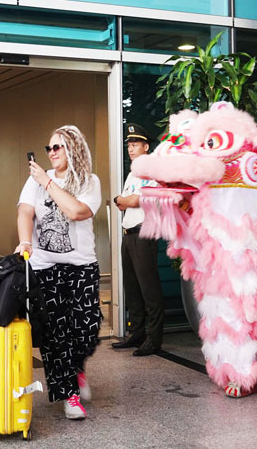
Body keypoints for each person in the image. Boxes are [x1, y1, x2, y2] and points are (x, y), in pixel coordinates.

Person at [15, 125, 102, 420]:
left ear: (73, 149)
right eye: (48, 148)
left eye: (57, 147)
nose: (51, 153)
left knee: (86, 331)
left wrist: (47, 183)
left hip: (82, 267)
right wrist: (26, 240)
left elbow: (77, 212)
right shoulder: (35, 181)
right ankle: (70, 396)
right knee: (56, 335)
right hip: (46, 267)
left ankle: (77, 368)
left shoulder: (89, 182)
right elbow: (25, 211)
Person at [111, 123, 165, 356]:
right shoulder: (133, 173)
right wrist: (123, 199)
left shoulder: (152, 170)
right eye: (129, 145)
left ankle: (153, 339)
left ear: (146, 146)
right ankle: (137, 334)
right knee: (132, 287)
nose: (130, 149)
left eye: (135, 145)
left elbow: (132, 202)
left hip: (144, 232)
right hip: (128, 233)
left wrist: (123, 199)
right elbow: (124, 201)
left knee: (148, 287)